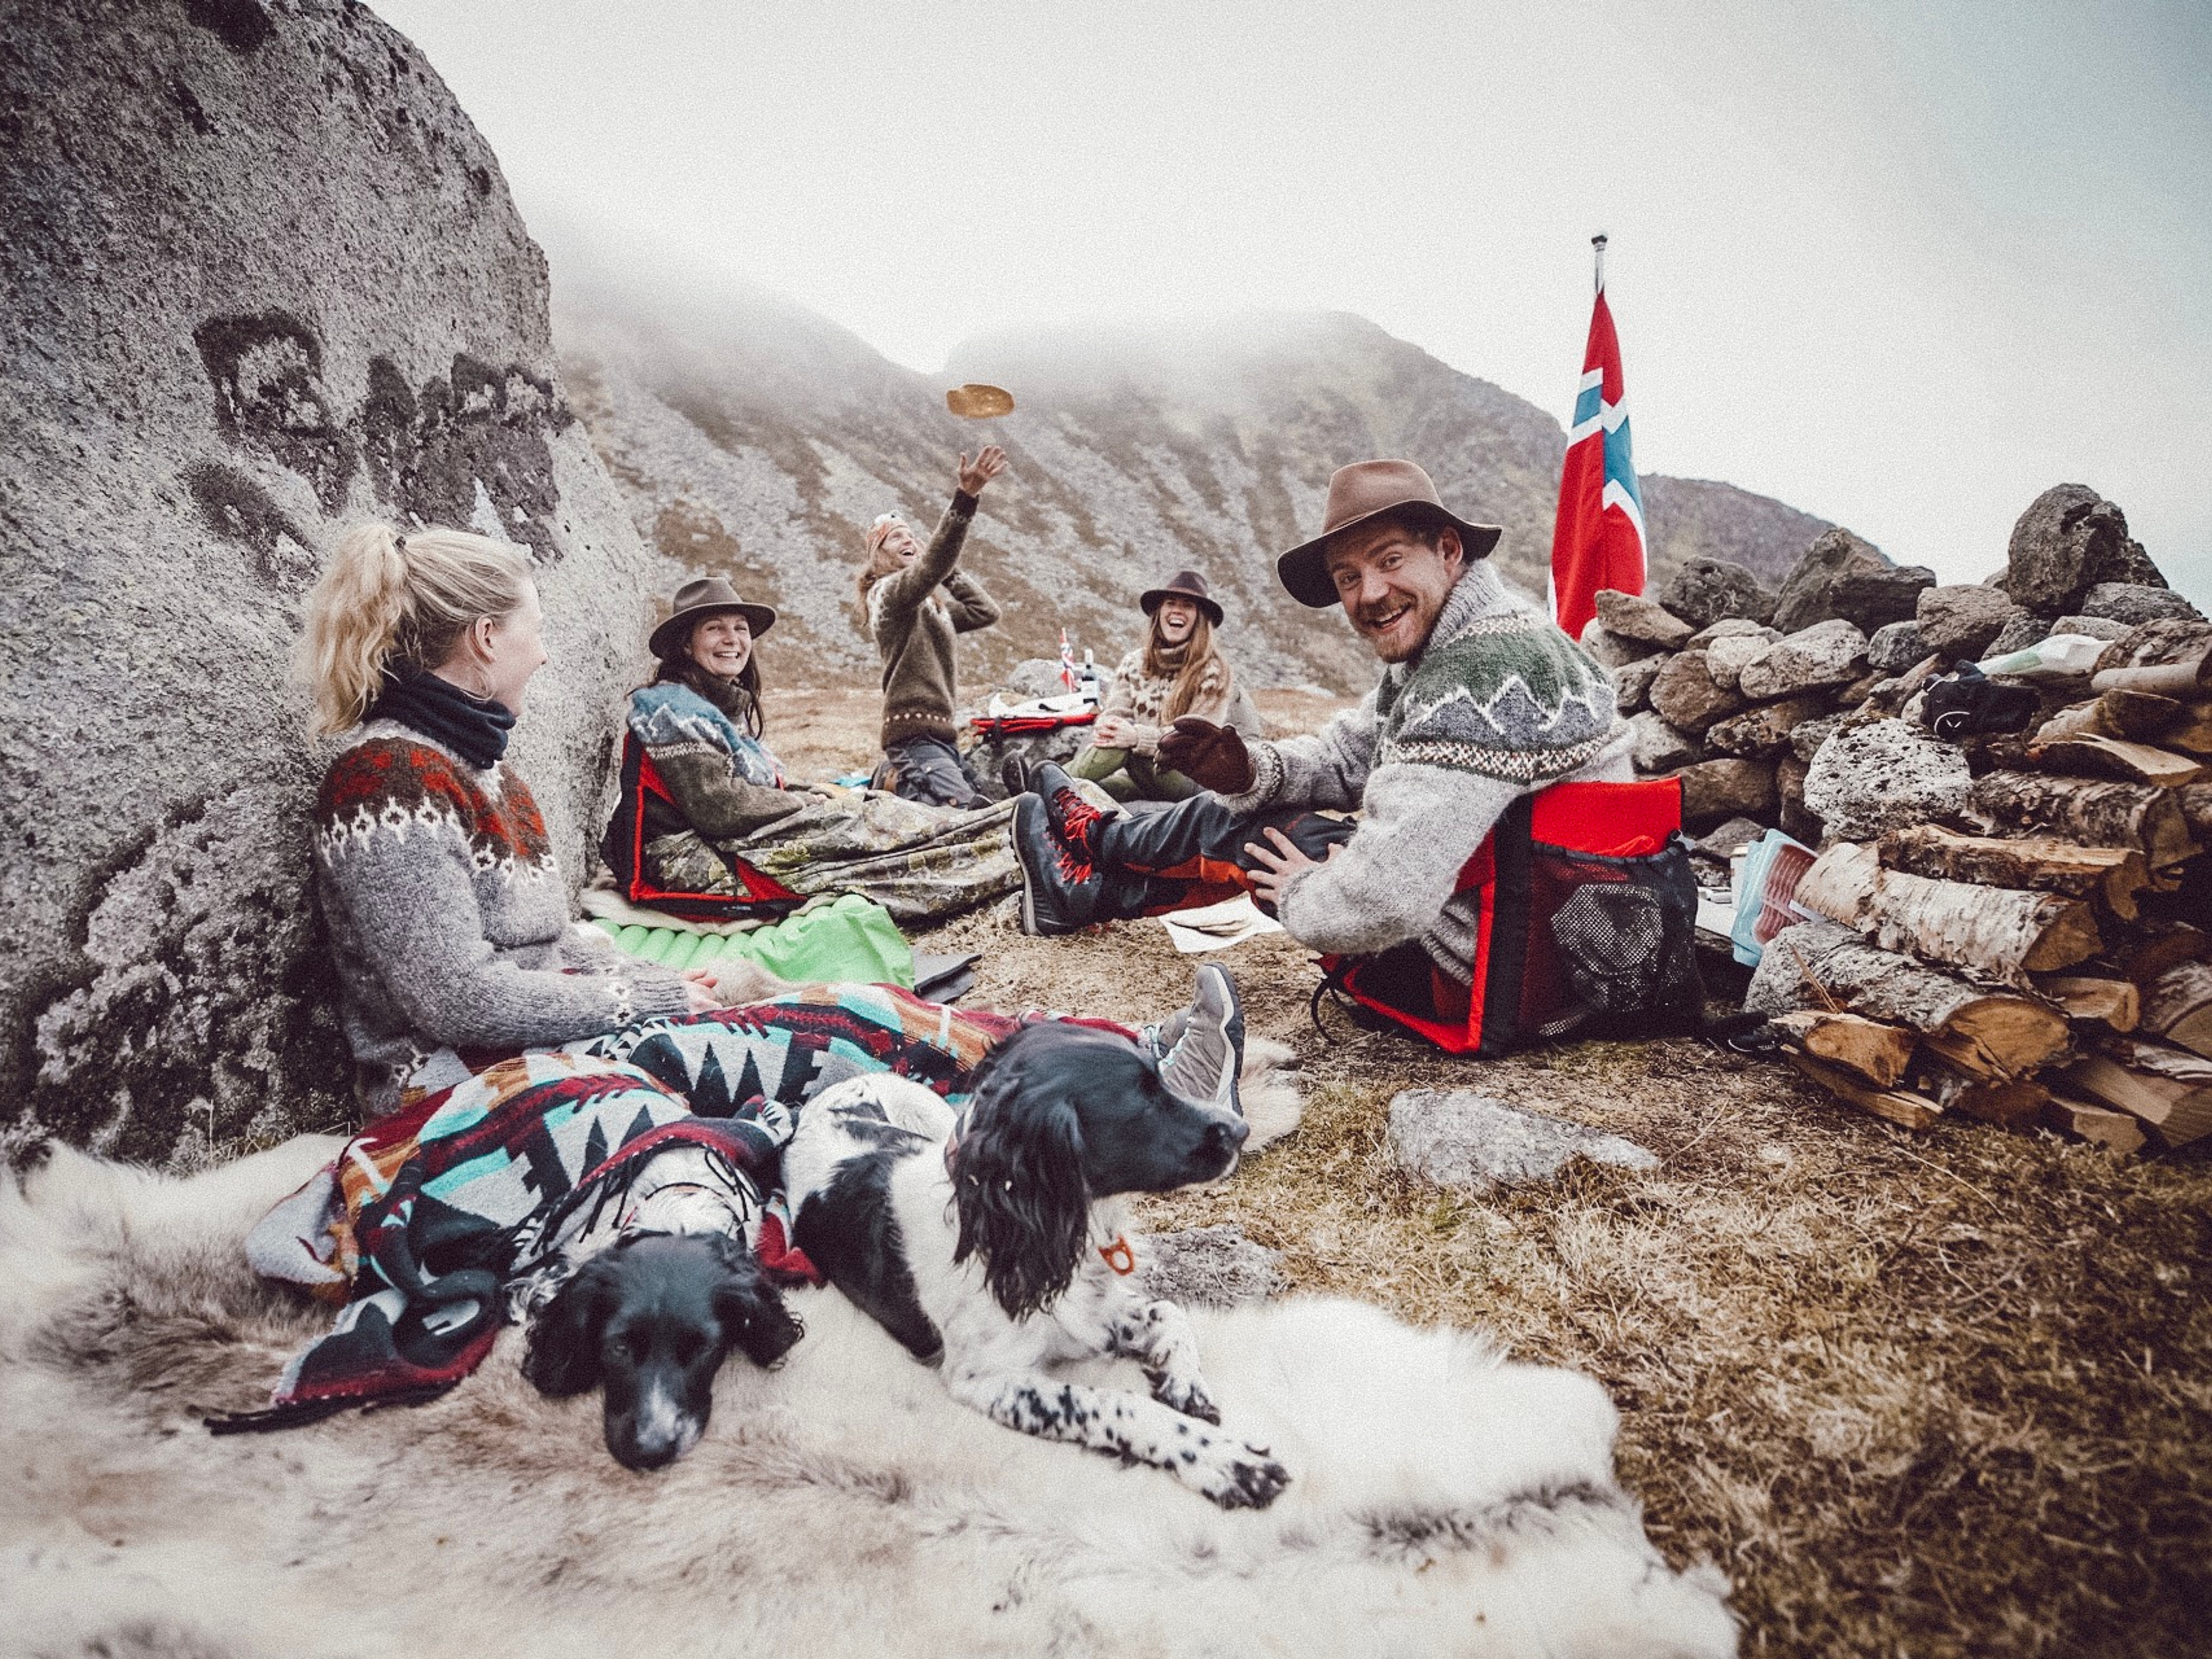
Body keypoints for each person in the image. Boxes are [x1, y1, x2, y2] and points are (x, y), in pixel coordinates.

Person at [1011, 460, 1632, 1007]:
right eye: (1348, 578)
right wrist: (1250, 771)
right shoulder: (1472, 644)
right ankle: (1091, 878)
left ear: (1448, 550)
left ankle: (1094, 845)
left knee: (1265, 836)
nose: (1372, 594)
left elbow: (1387, 898)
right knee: (1257, 809)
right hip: (1543, 951)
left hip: (1488, 974)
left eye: (1389, 560)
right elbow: (1345, 756)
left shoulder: (1477, 672)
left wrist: (1301, 893)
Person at [608, 573, 1018, 925]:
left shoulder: (715, 705)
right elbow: (719, 808)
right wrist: (803, 806)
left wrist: (808, 796)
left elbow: (747, 791)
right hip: (689, 860)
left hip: (729, 841)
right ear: (686, 645)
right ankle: (1009, 850)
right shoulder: (670, 709)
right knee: (861, 842)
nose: (732, 640)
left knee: (866, 810)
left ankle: (1008, 829)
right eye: (715, 628)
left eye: (740, 628)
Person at [858, 446, 1009, 808]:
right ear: (878, 556)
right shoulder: (887, 595)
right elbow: (931, 567)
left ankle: (891, 780)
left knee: (982, 804)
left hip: (942, 735)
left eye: (911, 535)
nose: (908, 540)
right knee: (966, 810)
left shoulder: (929, 607)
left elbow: (986, 611)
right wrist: (966, 498)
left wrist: (950, 573)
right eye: (896, 537)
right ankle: (894, 777)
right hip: (911, 737)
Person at [1069, 569, 1263, 802]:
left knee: (1124, 747)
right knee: (1087, 793)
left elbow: (1195, 742)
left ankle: (1043, 782)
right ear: (1159, 612)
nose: (1177, 610)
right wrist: (1112, 729)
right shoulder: (1133, 663)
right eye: (1170, 603)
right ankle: (1040, 791)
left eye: (1188, 605)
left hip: (1191, 779)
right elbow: (1113, 717)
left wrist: (1136, 738)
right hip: (1141, 772)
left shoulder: (1214, 672)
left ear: (1199, 619)